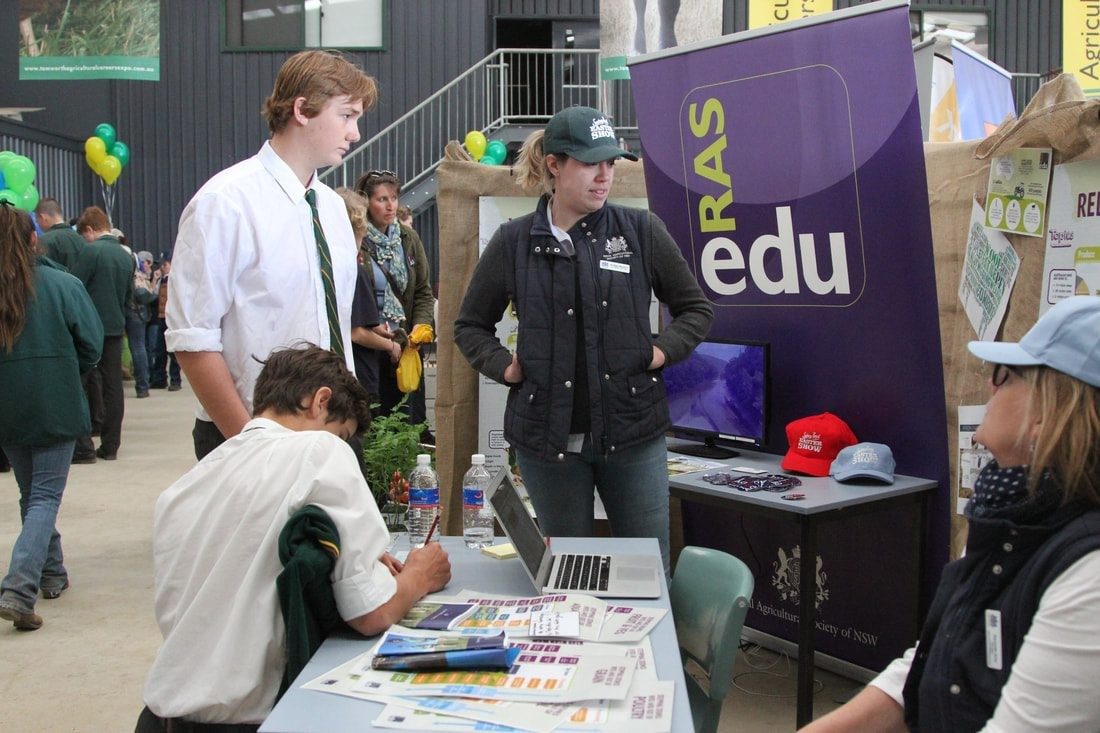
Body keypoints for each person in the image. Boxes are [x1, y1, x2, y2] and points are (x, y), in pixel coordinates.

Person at [802, 295, 1100, 733]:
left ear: (1046, 415)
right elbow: (932, 661)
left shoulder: (1087, 574)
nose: (990, 386)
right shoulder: (1006, 514)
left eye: (1006, 375)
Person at [453, 106, 713, 573]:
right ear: (555, 164)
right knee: (567, 576)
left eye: (611, 163)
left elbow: (696, 310)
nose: (604, 175)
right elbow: (470, 325)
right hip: (547, 445)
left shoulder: (640, 231)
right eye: (591, 163)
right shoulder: (514, 242)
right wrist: (505, 368)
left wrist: (658, 352)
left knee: (647, 573)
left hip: (634, 436)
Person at [138, 344, 451, 729]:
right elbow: (372, 613)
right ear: (320, 401)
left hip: (163, 716)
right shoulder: (319, 449)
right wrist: (419, 575)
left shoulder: (188, 485)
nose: (340, 443)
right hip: (251, 719)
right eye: (343, 433)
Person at [167, 50, 376, 460]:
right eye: (347, 116)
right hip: (248, 433)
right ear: (302, 110)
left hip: (332, 432)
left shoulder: (331, 209)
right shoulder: (225, 203)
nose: (355, 133)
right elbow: (193, 339)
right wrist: (249, 444)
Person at [0, 202, 103, 631]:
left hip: (8, 410)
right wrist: (61, 369)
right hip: (55, 403)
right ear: (32, 238)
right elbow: (92, 346)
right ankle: (19, 588)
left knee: (32, 494)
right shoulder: (62, 285)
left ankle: (51, 572)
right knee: (43, 497)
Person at [354, 170, 435, 439]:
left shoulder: (408, 238)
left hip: (407, 342)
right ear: (367, 203)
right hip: (370, 342)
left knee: (409, 417)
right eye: (382, 199)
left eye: (394, 198)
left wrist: (422, 325)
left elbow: (423, 289)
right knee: (374, 416)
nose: (391, 206)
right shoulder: (358, 240)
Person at [70, 206, 135, 462]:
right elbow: (128, 297)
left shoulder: (90, 251)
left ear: (89, 229)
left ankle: (83, 443)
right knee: (113, 387)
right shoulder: (125, 256)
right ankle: (110, 445)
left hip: (88, 329)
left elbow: (75, 287)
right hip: (115, 328)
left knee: (81, 383)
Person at [335, 187, 399, 403]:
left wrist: (374, 326)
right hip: (358, 375)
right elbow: (356, 332)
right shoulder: (353, 270)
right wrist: (391, 346)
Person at [126, 250, 162, 398]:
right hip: (139, 313)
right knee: (140, 347)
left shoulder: (134, 276)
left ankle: (142, 384)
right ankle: (143, 385)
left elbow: (145, 295)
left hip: (133, 311)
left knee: (138, 347)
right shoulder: (141, 275)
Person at [148, 257, 181, 391]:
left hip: (172, 319)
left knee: (173, 352)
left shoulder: (175, 279)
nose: (162, 267)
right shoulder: (161, 280)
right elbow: (153, 294)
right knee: (159, 350)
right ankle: (159, 378)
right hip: (162, 318)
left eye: (164, 264)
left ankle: (175, 380)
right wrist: (155, 280)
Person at [34, 198, 84, 271]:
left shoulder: (43, 241)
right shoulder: (82, 239)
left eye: (37, 221)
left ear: (42, 217)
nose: (38, 224)